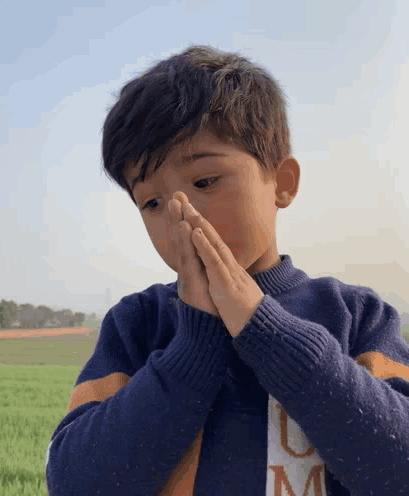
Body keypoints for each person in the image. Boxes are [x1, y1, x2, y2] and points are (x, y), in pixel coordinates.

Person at [45, 45, 409, 495]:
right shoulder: (135, 326)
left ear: (282, 182)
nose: (182, 215)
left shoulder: (357, 315)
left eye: (204, 182)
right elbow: (72, 482)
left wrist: (264, 327)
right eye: (152, 203)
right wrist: (193, 346)